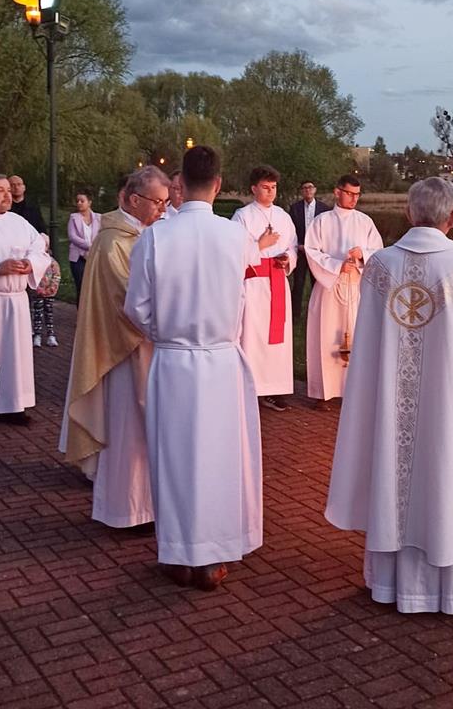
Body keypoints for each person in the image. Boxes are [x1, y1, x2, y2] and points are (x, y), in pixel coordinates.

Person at [325, 177, 453, 615]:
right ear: (452, 217)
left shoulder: (382, 265)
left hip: (391, 405)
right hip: (449, 403)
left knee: (393, 466)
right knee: (447, 472)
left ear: (409, 213)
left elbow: (369, 344)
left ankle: (388, 584)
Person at [124, 146, 263, 591]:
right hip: (221, 360)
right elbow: (242, 300)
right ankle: (215, 556)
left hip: (174, 361)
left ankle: (181, 555)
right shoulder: (236, 236)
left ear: (180, 183)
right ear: (219, 184)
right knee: (221, 458)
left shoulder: (156, 237)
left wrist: (166, 331)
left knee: (175, 457)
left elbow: (136, 308)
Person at [61, 166, 169, 529]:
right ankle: (127, 511)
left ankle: (145, 506)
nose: (163, 210)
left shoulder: (138, 233)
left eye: (166, 202)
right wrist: (174, 318)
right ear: (135, 200)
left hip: (142, 347)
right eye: (158, 202)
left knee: (143, 427)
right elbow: (129, 300)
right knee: (130, 428)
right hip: (125, 351)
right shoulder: (112, 242)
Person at [304, 175, 383, 408]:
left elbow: (378, 252)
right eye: (349, 193)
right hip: (330, 286)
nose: (354, 198)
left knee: (357, 335)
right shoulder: (322, 221)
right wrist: (338, 265)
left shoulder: (365, 221)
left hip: (356, 286)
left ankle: (354, 391)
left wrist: (363, 255)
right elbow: (311, 251)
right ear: (337, 192)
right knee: (325, 335)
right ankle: (322, 392)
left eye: (357, 194)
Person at [0, 174, 50, 425]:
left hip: (17, 299)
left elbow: (39, 248)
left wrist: (30, 264)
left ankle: (13, 405)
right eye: (0, 190)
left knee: (16, 356)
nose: (7, 195)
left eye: (9, 190)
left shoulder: (19, 222)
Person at [232, 166, 297, 411]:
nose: (271, 192)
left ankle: (276, 386)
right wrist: (261, 245)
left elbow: (292, 245)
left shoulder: (283, 216)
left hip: (278, 281)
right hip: (255, 284)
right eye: (265, 187)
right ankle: (253, 386)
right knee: (254, 334)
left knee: (278, 336)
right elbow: (236, 250)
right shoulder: (243, 216)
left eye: (274, 187)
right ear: (254, 188)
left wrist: (287, 258)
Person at [8, 174, 59, 347]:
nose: (15, 188)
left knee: (35, 296)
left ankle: (37, 329)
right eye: (11, 185)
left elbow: (41, 229)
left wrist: (44, 243)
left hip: (31, 256)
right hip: (12, 256)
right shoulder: (7, 210)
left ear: (24, 187)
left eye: (18, 184)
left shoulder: (32, 207)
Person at [288, 181, 329, 321]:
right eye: (304, 188)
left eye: (310, 187)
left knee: (317, 284)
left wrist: (320, 247)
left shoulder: (324, 209)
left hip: (317, 253)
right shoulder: (295, 208)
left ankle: (317, 314)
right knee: (298, 284)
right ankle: (295, 316)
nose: (308, 190)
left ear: (315, 190)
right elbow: (291, 230)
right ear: (301, 191)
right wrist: (298, 245)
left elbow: (327, 231)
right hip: (300, 251)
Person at [67, 188, 101, 305]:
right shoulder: (74, 218)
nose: (79, 203)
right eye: (77, 201)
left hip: (94, 256)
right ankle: (80, 317)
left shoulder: (99, 218)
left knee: (95, 287)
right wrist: (88, 246)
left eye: (82, 201)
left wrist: (94, 247)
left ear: (89, 202)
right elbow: (72, 236)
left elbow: (101, 234)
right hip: (78, 257)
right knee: (81, 286)